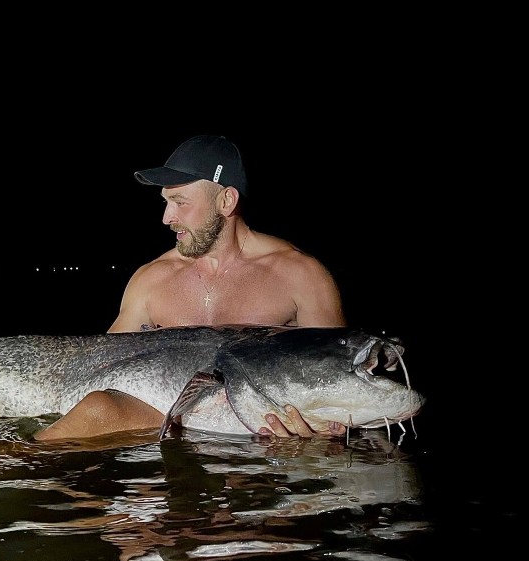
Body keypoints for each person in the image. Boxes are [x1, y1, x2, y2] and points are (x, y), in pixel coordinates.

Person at [36, 135, 347, 442]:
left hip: (261, 449)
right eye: (165, 202)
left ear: (226, 200)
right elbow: (100, 367)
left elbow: (340, 381)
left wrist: (324, 431)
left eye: (179, 202)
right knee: (96, 409)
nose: (166, 218)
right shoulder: (152, 280)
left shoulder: (301, 276)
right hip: (171, 435)